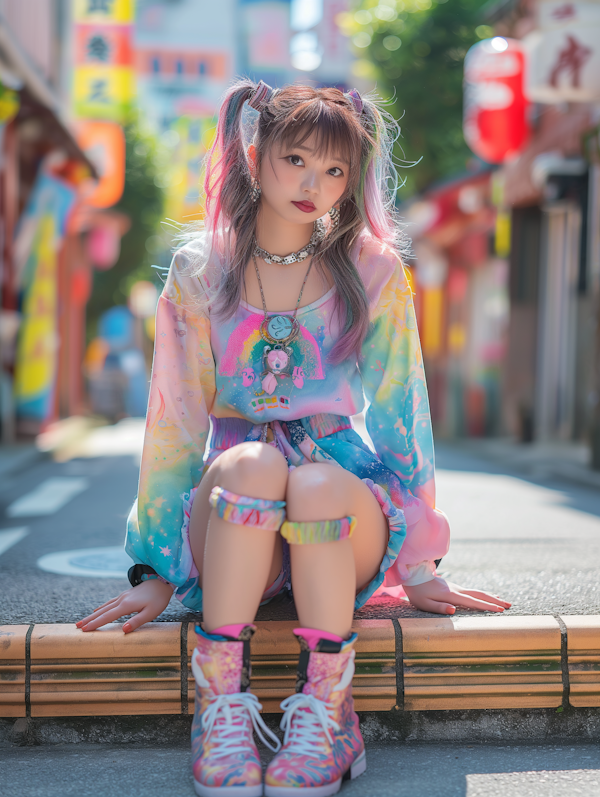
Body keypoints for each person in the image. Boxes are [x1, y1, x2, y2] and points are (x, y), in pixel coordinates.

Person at [78, 80, 510, 797]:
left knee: (309, 481)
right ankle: (220, 708)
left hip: (337, 508)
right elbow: (175, 425)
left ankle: (328, 712)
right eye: (297, 160)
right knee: (251, 464)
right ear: (253, 154)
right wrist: (156, 566)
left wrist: (424, 561)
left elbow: (404, 415)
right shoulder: (199, 271)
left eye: (335, 170)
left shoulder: (372, 269)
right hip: (235, 506)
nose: (315, 184)